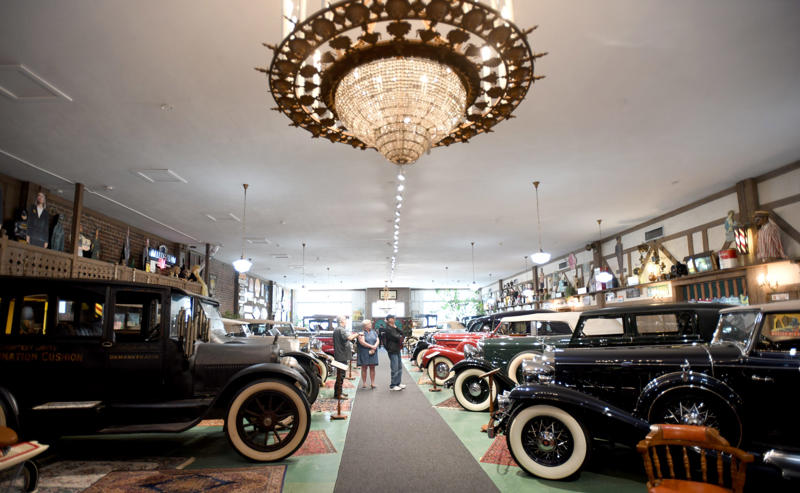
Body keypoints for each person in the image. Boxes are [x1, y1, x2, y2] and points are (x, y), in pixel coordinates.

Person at [333, 316, 357, 399]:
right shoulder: (341, 329)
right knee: (341, 375)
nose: (346, 322)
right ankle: (338, 394)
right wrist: (357, 334)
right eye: (345, 320)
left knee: (340, 375)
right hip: (341, 356)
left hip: (340, 355)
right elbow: (349, 338)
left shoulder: (338, 329)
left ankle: (339, 392)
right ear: (341, 321)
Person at [383, 314, 406, 391]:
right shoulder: (388, 328)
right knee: (394, 368)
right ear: (389, 319)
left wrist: (396, 328)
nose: (395, 319)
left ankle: (398, 383)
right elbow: (397, 337)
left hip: (397, 349)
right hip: (392, 350)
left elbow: (403, 333)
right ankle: (393, 385)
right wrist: (399, 335)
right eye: (393, 318)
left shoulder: (394, 327)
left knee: (399, 367)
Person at [356, 319, 379, 389]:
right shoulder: (361, 333)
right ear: (365, 326)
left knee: (372, 367)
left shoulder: (374, 332)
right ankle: (364, 383)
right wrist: (372, 346)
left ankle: (372, 383)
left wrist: (375, 346)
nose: (371, 325)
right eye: (369, 324)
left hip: (373, 351)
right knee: (364, 368)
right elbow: (362, 342)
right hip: (364, 352)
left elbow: (377, 339)